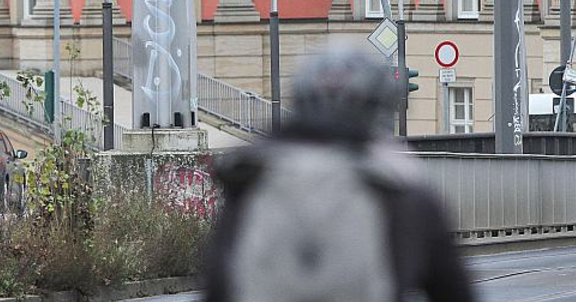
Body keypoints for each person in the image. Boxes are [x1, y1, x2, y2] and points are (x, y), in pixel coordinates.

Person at [204, 44, 477, 302]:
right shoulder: (397, 186)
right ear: (379, 110)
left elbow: (218, 286)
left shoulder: (250, 178)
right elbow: (453, 289)